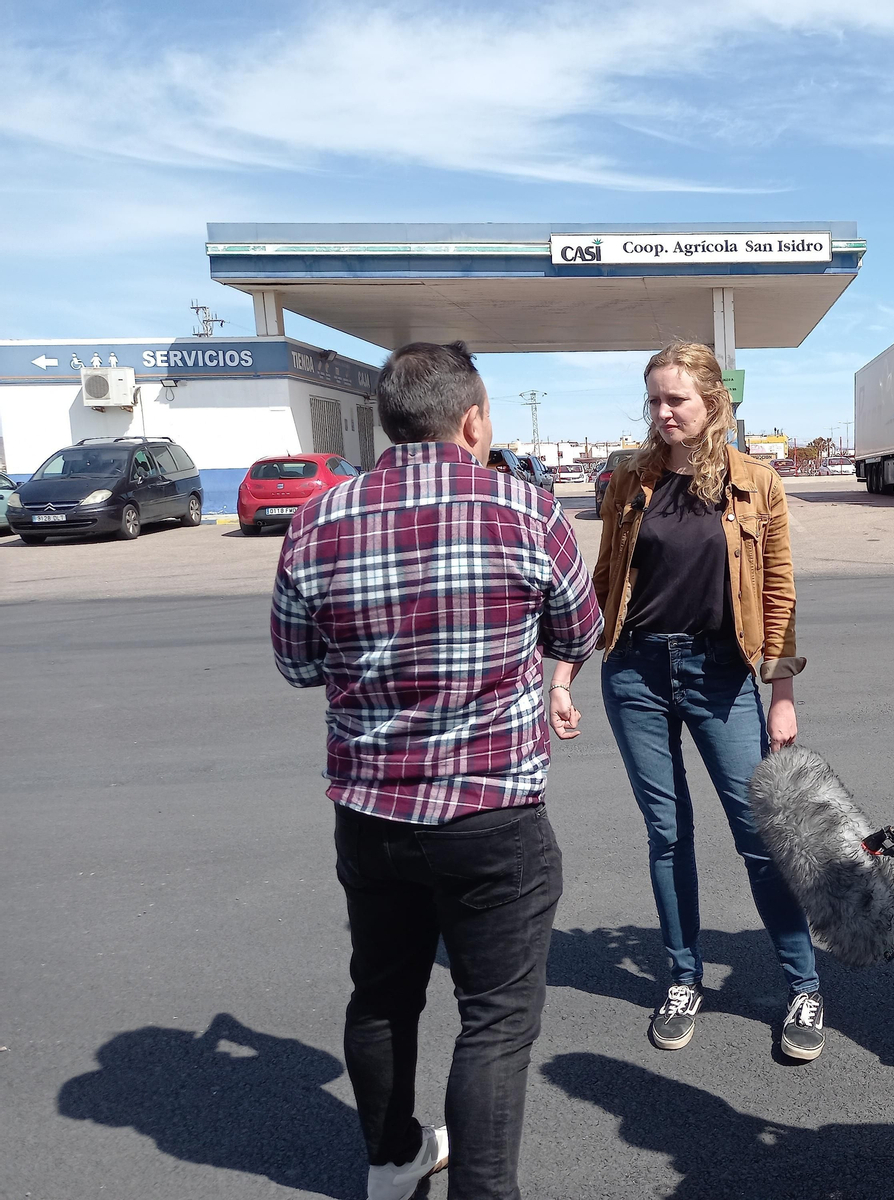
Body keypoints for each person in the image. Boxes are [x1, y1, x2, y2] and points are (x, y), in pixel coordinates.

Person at [270, 341, 600, 1200]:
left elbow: (297, 664)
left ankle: (391, 1161)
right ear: (473, 419)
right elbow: (580, 630)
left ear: (386, 423)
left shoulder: (319, 518)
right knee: (493, 1022)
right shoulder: (526, 509)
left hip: (372, 814)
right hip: (493, 815)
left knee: (382, 994)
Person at [547, 341, 824, 1061]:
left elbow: (779, 591)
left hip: (721, 675)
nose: (664, 412)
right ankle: (682, 977)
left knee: (759, 836)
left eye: (678, 400)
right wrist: (564, 674)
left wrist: (782, 695)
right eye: (656, 400)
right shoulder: (629, 479)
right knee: (667, 836)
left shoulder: (756, 483)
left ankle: (804, 987)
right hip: (635, 673)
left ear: (712, 405)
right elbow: (603, 581)